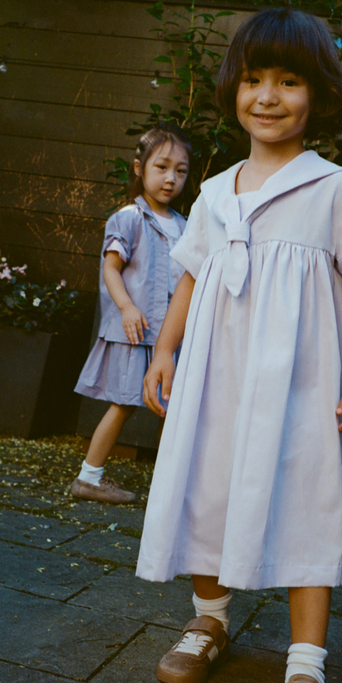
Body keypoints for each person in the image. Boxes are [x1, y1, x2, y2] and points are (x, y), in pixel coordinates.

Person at [137, 8, 342, 683]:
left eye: (288, 81)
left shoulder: (334, 189)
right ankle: (209, 621)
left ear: (318, 94)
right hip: (218, 382)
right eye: (254, 79)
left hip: (303, 388)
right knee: (206, 484)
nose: (268, 96)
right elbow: (190, 278)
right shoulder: (215, 193)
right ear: (234, 89)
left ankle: (307, 669)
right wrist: (165, 351)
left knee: (306, 496)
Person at [71, 123, 191, 504]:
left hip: (168, 337)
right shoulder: (129, 218)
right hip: (136, 331)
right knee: (124, 403)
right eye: (162, 167)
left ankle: (168, 490)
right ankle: (89, 478)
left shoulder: (185, 227)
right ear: (139, 168)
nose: (171, 179)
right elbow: (111, 267)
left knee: (172, 408)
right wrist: (126, 307)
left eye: (181, 171)